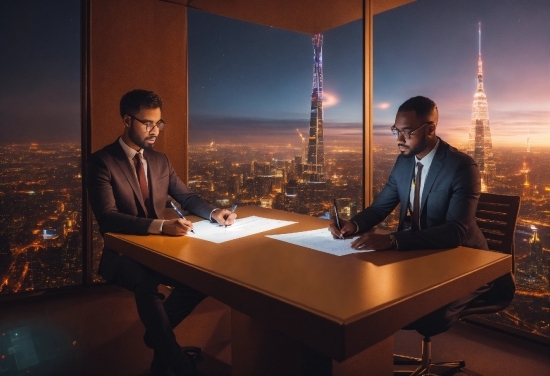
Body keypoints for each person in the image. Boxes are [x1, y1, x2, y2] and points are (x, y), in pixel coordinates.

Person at [328, 95, 514, 337]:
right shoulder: (404, 163)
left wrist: (393, 240)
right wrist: (353, 224)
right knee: (370, 294)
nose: (399, 139)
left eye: (407, 132)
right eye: (396, 131)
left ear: (430, 129)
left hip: (467, 263)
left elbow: (455, 231)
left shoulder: (461, 167)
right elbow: (379, 208)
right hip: (424, 256)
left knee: (425, 315)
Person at [87, 89, 236, 375]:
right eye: (148, 124)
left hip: (160, 249)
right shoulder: (102, 162)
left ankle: (155, 335)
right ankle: (175, 363)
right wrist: (161, 226)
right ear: (127, 120)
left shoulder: (160, 161)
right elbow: (107, 218)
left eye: (159, 123)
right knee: (145, 283)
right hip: (123, 253)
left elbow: (188, 198)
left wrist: (215, 212)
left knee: (201, 279)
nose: (155, 131)